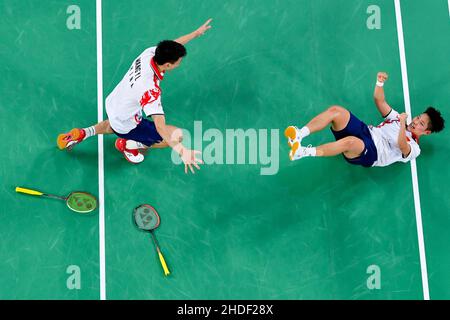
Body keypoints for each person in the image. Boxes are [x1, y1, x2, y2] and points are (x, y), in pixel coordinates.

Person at [57, 19, 213, 174]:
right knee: (176, 136)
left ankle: (83, 133)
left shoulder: (149, 54)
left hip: (115, 102)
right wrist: (182, 151)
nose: (179, 64)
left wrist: (195, 34)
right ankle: (130, 145)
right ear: (167, 65)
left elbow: (171, 45)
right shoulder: (150, 91)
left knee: (113, 124)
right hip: (126, 119)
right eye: (177, 62)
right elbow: (160, 127)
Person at [284, 72, 445, 167]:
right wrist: (379, 82)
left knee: (350, 142)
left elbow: (402, 144)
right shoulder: (397, 118)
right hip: (367, 132)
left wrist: (403, 124)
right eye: (418, 117)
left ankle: (302, 152)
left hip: (372, 152)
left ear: (427, 132)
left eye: (421, 123)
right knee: (337, 111)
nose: (416, 121)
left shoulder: (415, 149)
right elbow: (379, 101)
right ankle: (299, 134)